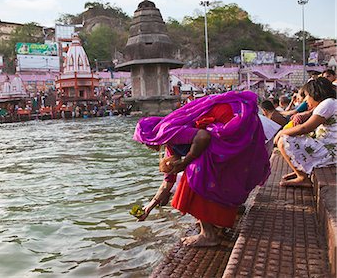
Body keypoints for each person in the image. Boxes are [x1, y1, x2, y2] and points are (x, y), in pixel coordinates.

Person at [134, 91, 270, 247]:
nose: (147, 146)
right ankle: (217, 223)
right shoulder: (170, 143)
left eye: (144, 142)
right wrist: (150, 206)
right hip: (237, 128)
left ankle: (208, 235)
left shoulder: (166, 130)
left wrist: (185, 163)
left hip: (231, 123)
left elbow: (203, 137)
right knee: (207, 176)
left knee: (194, 177)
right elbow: (168, 181)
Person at [274, 77, 336, 187]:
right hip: (330, 148)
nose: (306, 100)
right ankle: (302, 169)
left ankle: (302, 177)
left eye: (307, 95)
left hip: (330, 152)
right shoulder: (330, 102)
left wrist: (281, 133)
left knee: (284, 141)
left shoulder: (327, 104)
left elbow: (304, 128)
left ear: (315, 94)